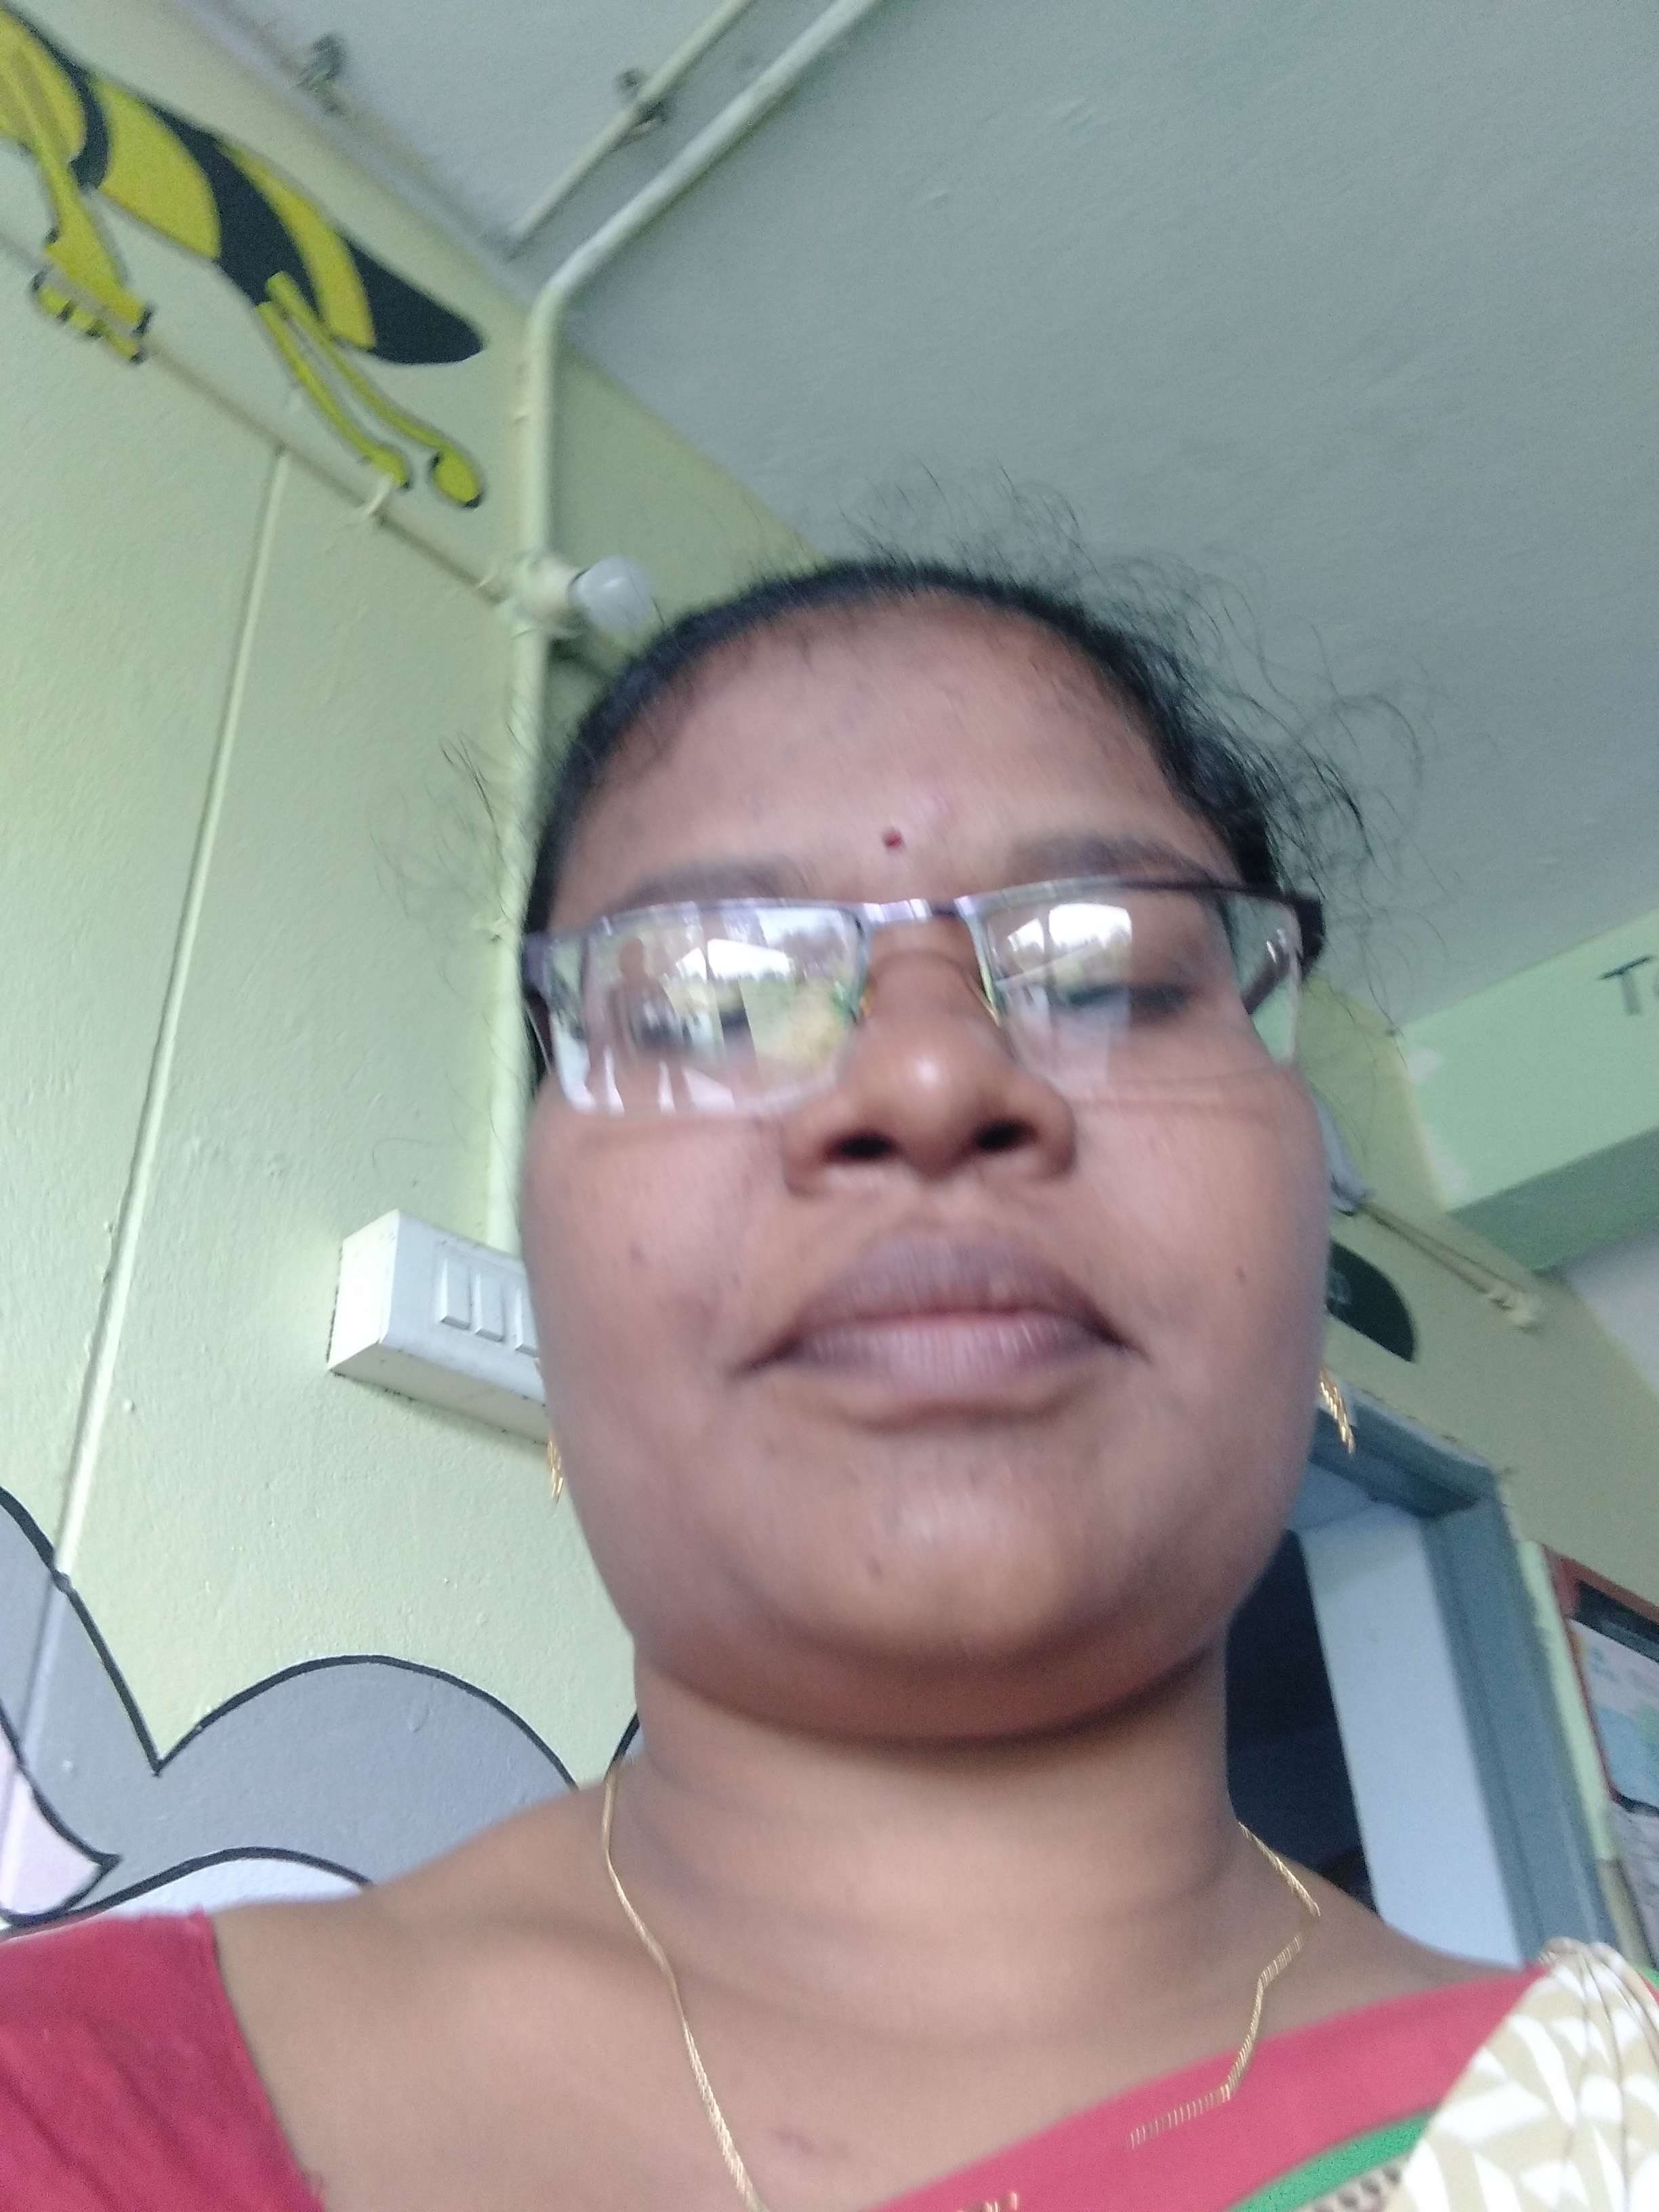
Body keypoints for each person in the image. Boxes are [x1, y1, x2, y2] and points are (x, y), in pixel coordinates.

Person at [3, 559, 1654, 2211]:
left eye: (1104, 972)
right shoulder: (57, 2108)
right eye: (711, 999)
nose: (928, 1075)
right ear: (550, 1259)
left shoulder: (1608, 2127)